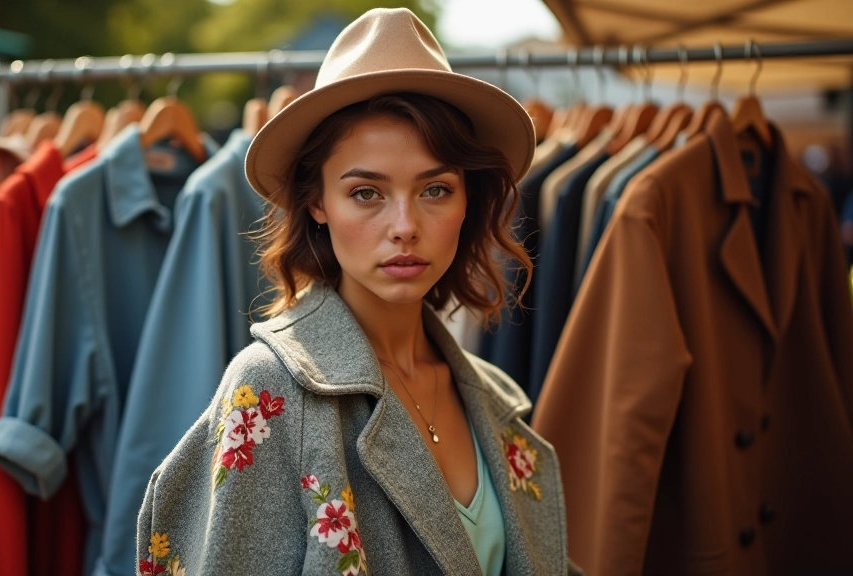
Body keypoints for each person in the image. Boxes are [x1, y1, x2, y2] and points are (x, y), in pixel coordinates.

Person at [136, 8, 578, 576]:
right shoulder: (272, 392)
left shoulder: (497, 400)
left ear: (469, 202)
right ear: (317, 202)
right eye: (367, 192)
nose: (404, 226)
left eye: (435, 189)